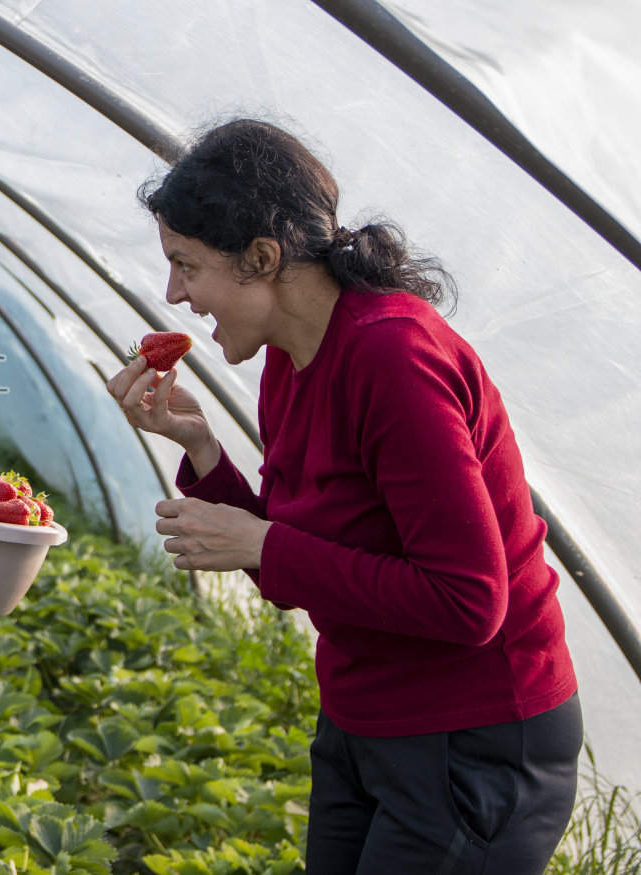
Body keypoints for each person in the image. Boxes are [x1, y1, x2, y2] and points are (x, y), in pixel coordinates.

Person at [106, 119, 580, 873]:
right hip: (366, 720)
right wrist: (201, 448)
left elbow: (468, 599)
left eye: (186, 265)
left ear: (261, 258)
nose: (175, 294)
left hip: (475, 735)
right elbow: (299, 564)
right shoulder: (289, 366)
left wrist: (263, 543)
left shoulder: (393, 355)